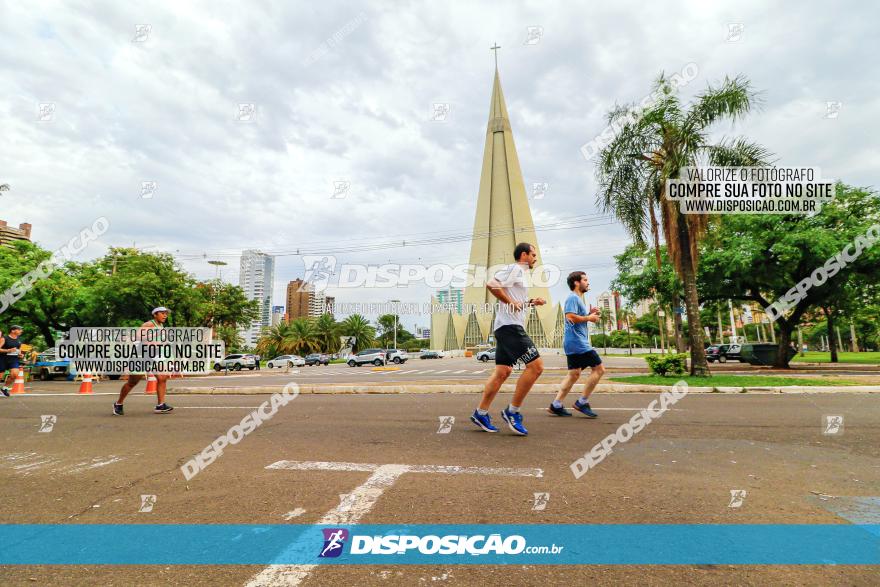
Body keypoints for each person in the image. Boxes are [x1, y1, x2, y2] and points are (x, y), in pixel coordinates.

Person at [470, 242, 546, 436]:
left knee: (503, 372)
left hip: (505, 326)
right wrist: (511, 302)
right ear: (523, 255)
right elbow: (492, 284)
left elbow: (515, 302)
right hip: (510, 327)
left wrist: (530, 302)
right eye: (533, 254)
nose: (535, 257)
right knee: (536, 367)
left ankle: (481, 413)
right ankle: (512, 412)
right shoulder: (515, 269)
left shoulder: (519, 275)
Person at [549, 271, 604, 418]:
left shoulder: (578, 299)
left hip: (572, 342)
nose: (588, 283)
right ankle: (582, 402)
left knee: (574, 374)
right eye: (585, 280)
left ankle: (556, 405)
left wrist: (589, 313)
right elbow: (570, 317)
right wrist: (589, 317)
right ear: (576, 283)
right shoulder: (573, 297)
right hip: (578, 342)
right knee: (599, 369)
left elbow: (577, 316)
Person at [113, 307, 174, 415]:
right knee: (133, 382)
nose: (165, 315)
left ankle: (161, 405)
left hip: (155, 354)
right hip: (142, 354)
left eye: (166, 314)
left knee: (162, 377)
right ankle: (118, 403)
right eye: (162, 313)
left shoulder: (161, 325)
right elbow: (138, 336)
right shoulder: (148, 324)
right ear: (155, 315)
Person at [0, 325, 25, 397]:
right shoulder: (4, 338)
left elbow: (19, 350)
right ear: (13, 330)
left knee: (15, 374)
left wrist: (21, 355)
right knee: (0, 376)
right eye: (19, 329)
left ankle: (4, 388)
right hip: (2, 358)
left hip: (13, 359)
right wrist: (8, 350)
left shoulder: (20, 340)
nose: (21, 331)